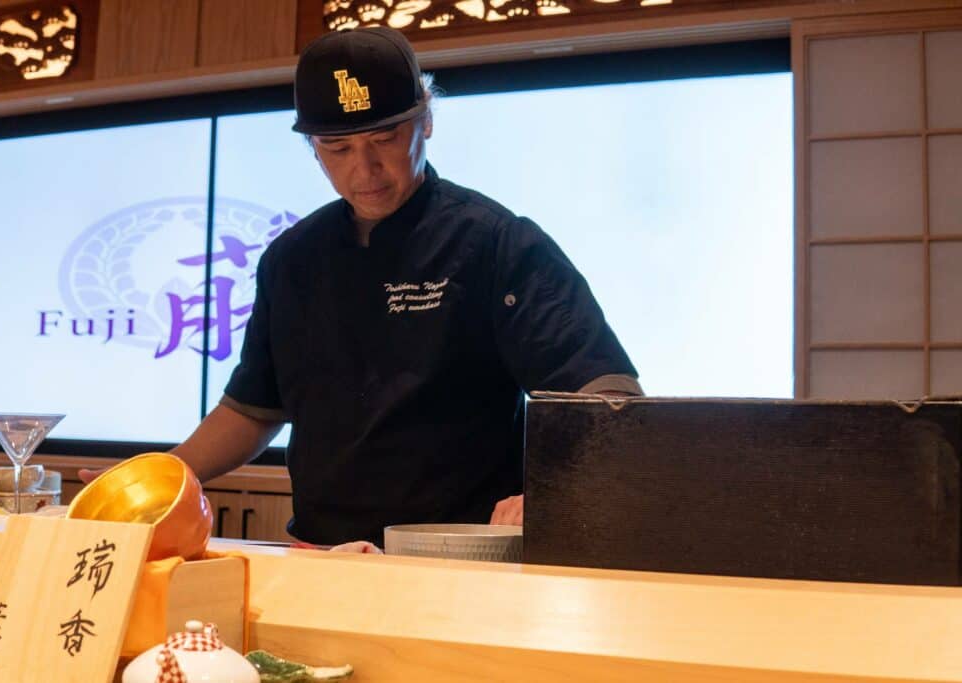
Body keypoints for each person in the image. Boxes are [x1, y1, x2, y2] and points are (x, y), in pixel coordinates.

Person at [83, 27, 642, 546]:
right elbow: (253, 409)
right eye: (337, 148)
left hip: (454, 555)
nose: (365, 170)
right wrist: (156, 480)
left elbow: (606, 395)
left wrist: (549, 489)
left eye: (385, 137)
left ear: (426, 120)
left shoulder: (497, 243)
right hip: (319, 550)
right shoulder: (292, 258)